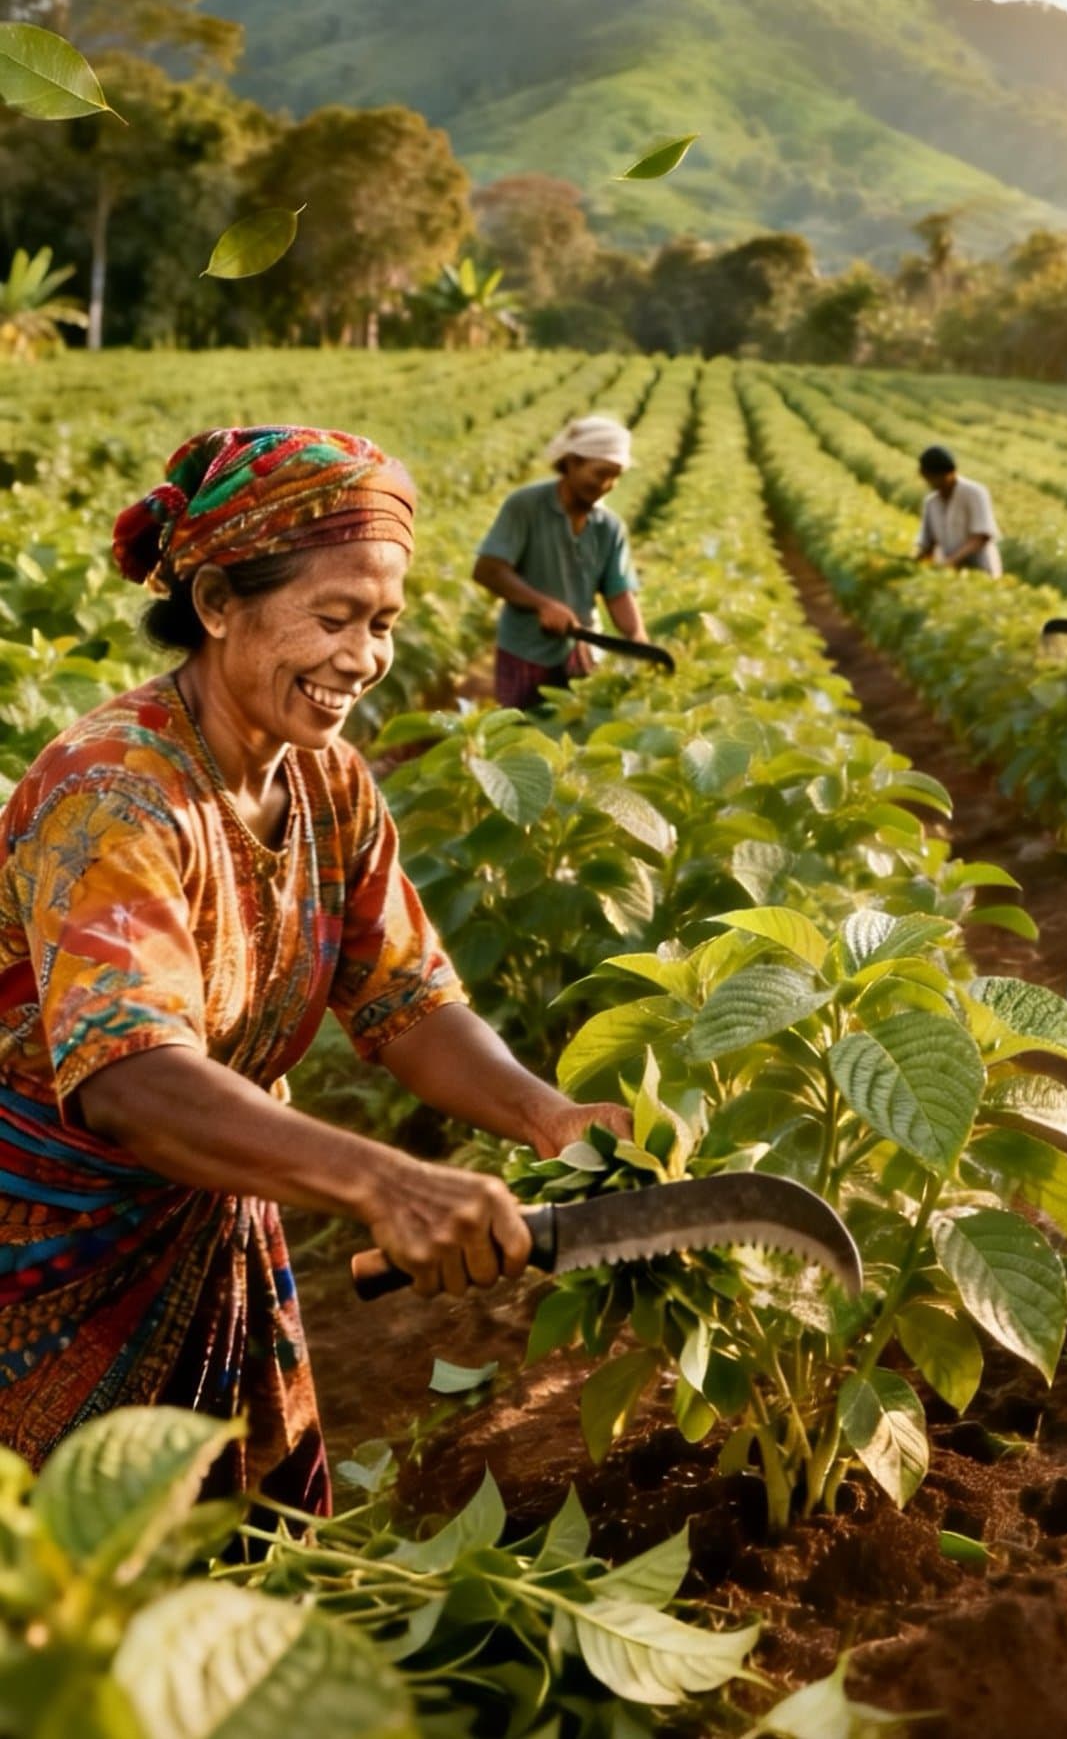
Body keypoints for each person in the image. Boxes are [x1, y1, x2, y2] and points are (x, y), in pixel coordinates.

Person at [0, 426, 629, 1507]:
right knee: (65, 1606)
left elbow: (409, 997)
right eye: (332, 617)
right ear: (214, 603)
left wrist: (546, 1116)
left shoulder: (325, 779)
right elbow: (133, 1080)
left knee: (232, 1567)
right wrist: (387, 1180)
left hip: (214, 1209)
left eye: (382, 623)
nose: (363, 657)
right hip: (47, 1258)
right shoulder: (116, 792)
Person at [474, 414, 648, 710]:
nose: (607, 484)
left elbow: (618, 593)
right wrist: (542, 605)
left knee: (578, 735)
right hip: (525, 651)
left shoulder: (609, 527)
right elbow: (489, 570)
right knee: (520, 739)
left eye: (615, 476)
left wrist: (637, 638)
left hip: (582, 651)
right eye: (601, 473)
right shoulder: (526, 506)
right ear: (572, 462)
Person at [915, 445, 1002, 577]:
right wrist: (913, 564)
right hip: (951, 574)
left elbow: (981, 537)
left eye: (936, 477)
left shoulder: (975, 493)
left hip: (981, 571)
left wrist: (951, 561)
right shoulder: (931, 502)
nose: (931, 482)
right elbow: (928, 544)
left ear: (951, 473)